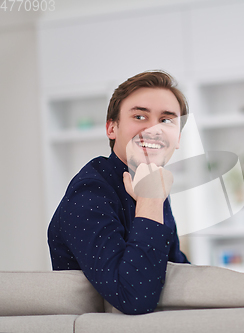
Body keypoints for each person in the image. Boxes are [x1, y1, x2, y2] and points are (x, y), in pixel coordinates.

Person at [48, 71, 190, 315]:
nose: (154, 129)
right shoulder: (90, 191)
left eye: (166, 120)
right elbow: (135, 298)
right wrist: (150, 201)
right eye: (139, 116)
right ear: (111, 128)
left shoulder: (151, 182)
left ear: (178, 138)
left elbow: (176, 269)